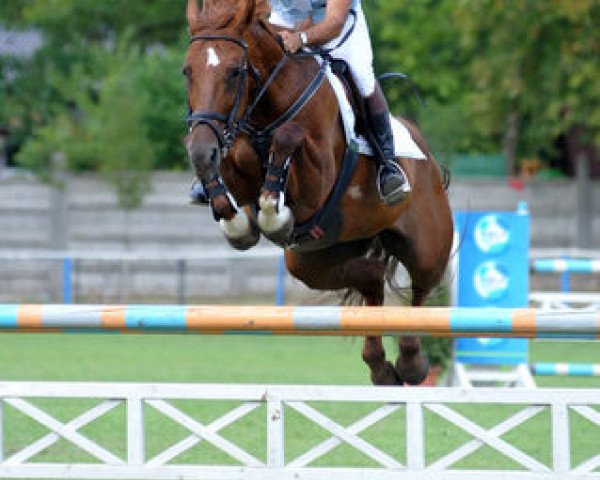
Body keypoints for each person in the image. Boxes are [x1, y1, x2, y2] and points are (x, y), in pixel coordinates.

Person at [268, 0, 411, 205]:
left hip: (336, 22)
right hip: (289, 19)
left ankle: (387, 165)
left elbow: (335, 21)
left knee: (362, 78)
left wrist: (302, 38)